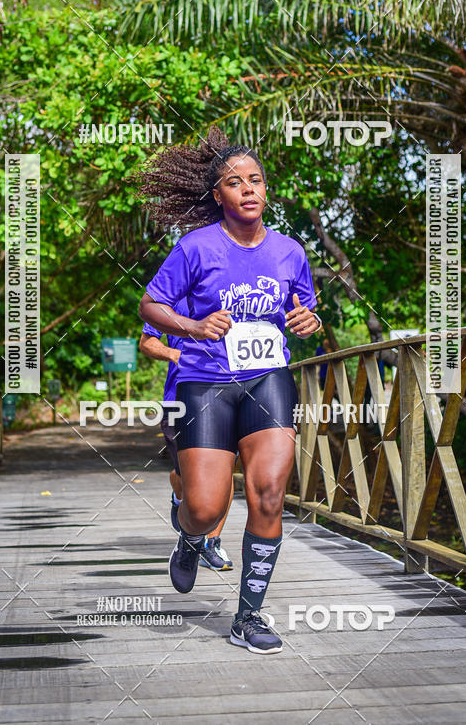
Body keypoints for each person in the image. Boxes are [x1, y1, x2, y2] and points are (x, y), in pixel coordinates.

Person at [137, 127, 321, 654]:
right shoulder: (195, 248)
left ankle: (249, 617)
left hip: (268, 380)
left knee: (268, 493)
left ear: (266, 190)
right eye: (234, 182)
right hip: (205, 383)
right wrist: (194, 329)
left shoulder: (290, 252)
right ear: (217, 195)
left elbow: (302, 309)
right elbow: (150, 308)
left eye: (256, 180)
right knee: (204, 506)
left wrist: (306, 321)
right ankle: (191, 535)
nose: (247, 188)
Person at [139, 302, 234, 571]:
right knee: (187, 476)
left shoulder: (235, 291)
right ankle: (178, 489)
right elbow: (147, 342)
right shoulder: (172, 299)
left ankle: (211, 543)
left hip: (227, 393)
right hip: (180, 397)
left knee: (224, 471)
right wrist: (176, 355)